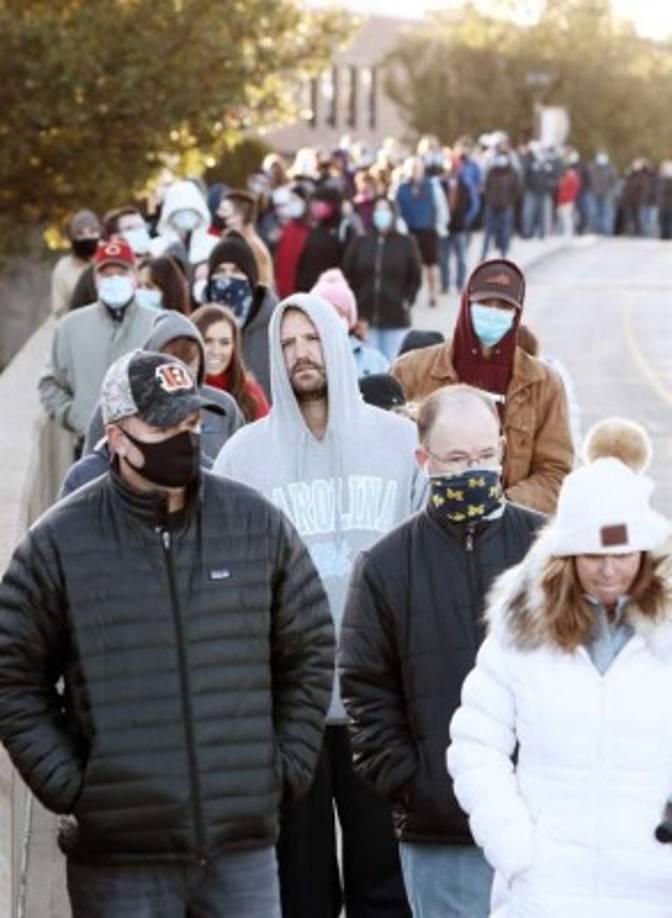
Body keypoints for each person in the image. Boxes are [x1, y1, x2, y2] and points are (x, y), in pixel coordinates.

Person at [0, 349, 334, 918]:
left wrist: (279, 771)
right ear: (117, 438)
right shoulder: (59, 542)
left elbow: (310, 649)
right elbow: (13, 678)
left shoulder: (254, 523)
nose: (185, 438)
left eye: (191, 422)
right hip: (119, 864)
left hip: (241, 853)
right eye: (164, 427)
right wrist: (76, 788)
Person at [214, 292, 425, 918]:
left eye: (311, 339)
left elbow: (426, 561)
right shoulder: (242, 456)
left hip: (378, 702)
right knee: (299, 889)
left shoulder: (400, 442)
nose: (301, 354)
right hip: (290, 709)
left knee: (384, 885)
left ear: (337, 341)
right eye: (287, 344)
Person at [447, 421, 672, 918]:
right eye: (593, 554)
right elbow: (475, 742)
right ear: (566, 555)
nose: (610, 570)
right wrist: (512, 844)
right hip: (545, 890)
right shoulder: (523, 631)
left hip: (655, 889)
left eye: (623, 554)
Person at [340, 385, 546, 917]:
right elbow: (366, 690)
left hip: (539, 825)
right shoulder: (385, 566)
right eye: (456, 459)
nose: (473, 471)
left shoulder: (546, 554)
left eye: (485, 455)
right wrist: (415, 783)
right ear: (423, 460)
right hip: (440, 832)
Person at [392, 259, 573, 513]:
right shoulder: (412, 370)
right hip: (428, 521)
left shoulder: (544, 383)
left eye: (504, 306)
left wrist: (500, 505)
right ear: (466, 303)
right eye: (485, 304)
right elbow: (389, 456)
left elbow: (556, 472)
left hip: (508, 528)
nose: (494, 312)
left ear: (517, 313)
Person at [80, 309, 244, 465]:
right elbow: (90, 467)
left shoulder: (223, 406)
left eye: (190, 363)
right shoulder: (116, 404)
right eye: (171, 365)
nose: (179, 374)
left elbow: (240, 466)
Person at [39, 239, 157, 442]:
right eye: (107, 274)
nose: (114, 280)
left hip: (146, 443)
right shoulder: (70, 326)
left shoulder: (157, 323)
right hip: (88, 442)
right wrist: (74, 416)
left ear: (134, 277)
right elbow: (50, 382)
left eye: (121, 273)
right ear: (95, 279)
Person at [343, 195, 422, 362]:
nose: (381, 214)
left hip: (395, 318)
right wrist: (355, 303)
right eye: (378, 209)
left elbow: (415, 277)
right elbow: (348, 273)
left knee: (393, 365)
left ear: (393, 214)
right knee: (368, 366)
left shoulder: (406, 242)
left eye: (385, 210)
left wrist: (406, 300)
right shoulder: (361, 241)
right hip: (365, 318)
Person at [205, 231, 276, 398]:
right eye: (220, 271)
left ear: (251, 279)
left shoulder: (275, 325)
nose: (227, 278)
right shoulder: (200, 324)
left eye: (236, 270)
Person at [191, 303, 270, 421]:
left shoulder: (250, 394)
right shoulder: (177, 391)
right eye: (207, 341)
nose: (216, 351)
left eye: (224, 343)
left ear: (234, 347)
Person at [310, 268, 389, 377]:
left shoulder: (375, 362)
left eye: (338, 313)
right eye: (324, 314)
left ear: (349, 319)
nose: (331, 321)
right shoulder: (305, 361)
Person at [395, 157, 440, 307]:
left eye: (417, 168)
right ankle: (409, 294)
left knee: (431, 265)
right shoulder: (401, 188)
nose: (415, 171)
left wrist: (439, 226)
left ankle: (433, 295)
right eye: (412, 168)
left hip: (428, 230)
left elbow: (439, 206)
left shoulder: (431, 185)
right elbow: (396, 209)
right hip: (409, 231)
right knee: (409, 265)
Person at [216, 190, 275, 289]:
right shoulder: (228, 239)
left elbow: (261, 286)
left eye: (224, 210)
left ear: (238, 216)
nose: (218, 213)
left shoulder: (253, 246)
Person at [295, 186, 349, 292]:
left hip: (332, 289)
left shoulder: (344, 229)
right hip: (309, 288)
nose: (314, 207)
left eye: (319, 203)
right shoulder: (315, 228)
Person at [51, 210, 101, 318]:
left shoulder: (108, 263)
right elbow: (59, 309)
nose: (87, 237)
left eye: (92, 232)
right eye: (80, 234)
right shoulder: (63, 268)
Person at [274, 184, 312, 299]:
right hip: (281, 288)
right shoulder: (289, 227)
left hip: (299, 289)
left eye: (295, 200)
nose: (292, 204)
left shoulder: (310, 230)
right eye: (290, 200)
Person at [481, 149, 519, 259]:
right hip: (492, 205)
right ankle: (484, 254)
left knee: (505, 231)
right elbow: (486, 186)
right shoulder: (492, 171)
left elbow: (516, 189)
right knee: (488, 231)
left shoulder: (512, 173)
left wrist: (509, 201)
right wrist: (489, 198)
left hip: (506, 206)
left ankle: (504, 254)